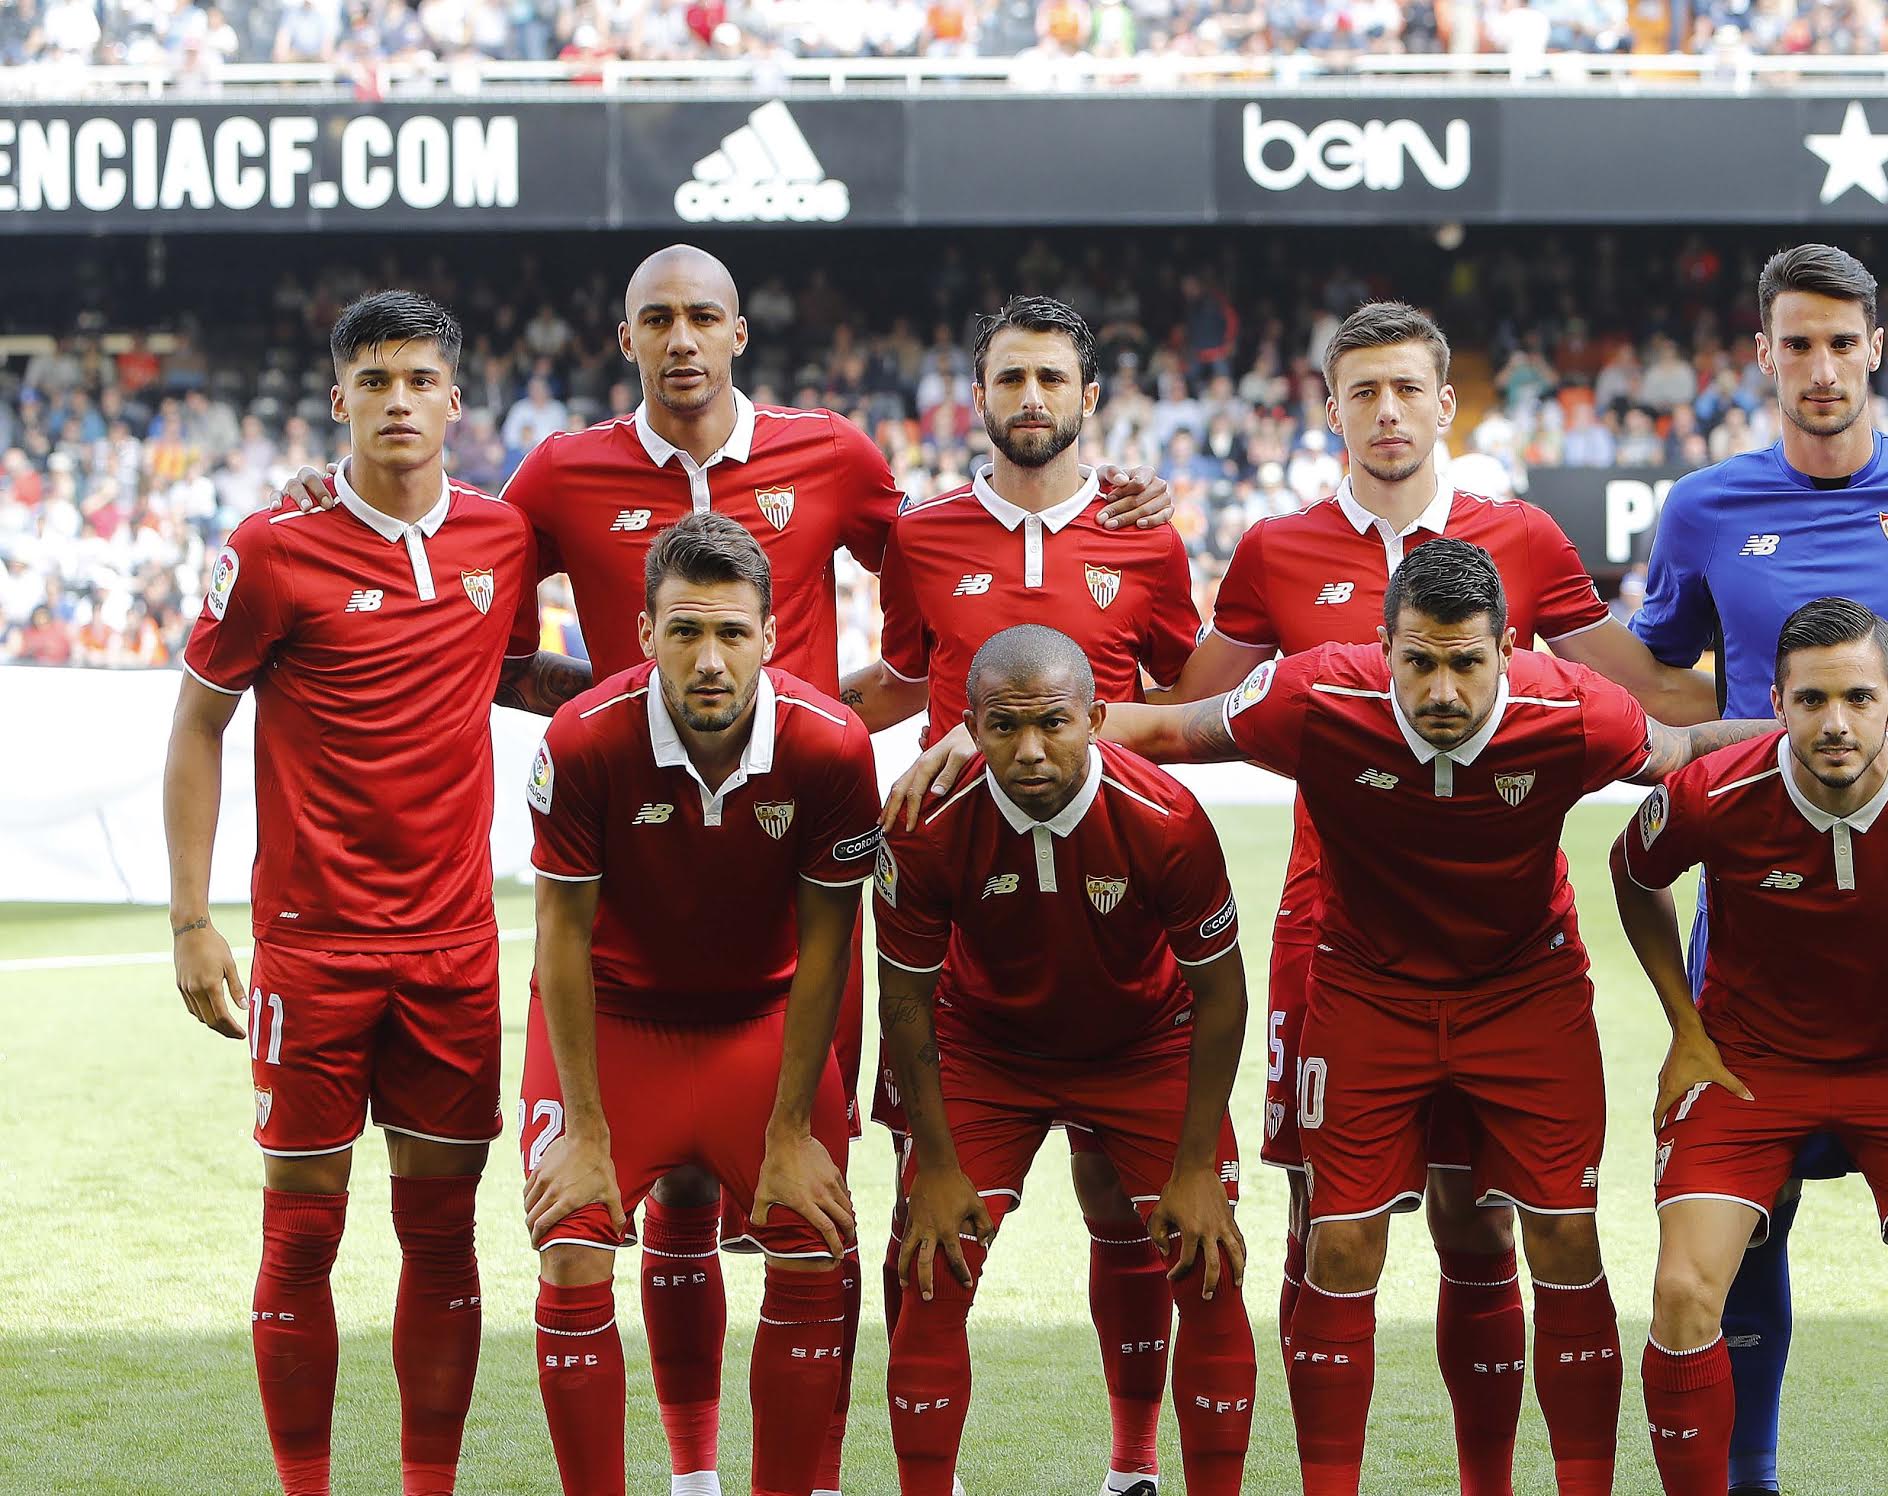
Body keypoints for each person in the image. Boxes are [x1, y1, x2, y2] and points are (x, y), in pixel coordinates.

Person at [284, 244, 1172, 1496]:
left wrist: (1092, 504)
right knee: (660, 1215)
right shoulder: (558, 474)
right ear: (627, 336)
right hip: (631, 883)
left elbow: (940, 583)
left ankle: (789, 1474)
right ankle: (693, 1471)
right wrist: (589, 697)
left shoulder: (838, 462)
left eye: (705, 315)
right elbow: (461, 567)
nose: (683, 337)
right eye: (659, 318)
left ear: (740, 333)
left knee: (810, 1219)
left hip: (784, 887)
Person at [948, 537, 1771, 1495]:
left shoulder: (1573, 710)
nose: (1443, 690)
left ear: (1509, 650)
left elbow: (1675, 754)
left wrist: (1819, 731)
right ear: (1383, 649)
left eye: (1467, 661)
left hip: (1526, 991)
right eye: (1418, 660)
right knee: (1339, 1242)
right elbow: (1176, 728)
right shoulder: (1314, 697)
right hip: (1367, 992)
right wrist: (1000, 734)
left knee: (1561, 1236)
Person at [1149, 301, 1718, 1495]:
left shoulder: (1522, 537)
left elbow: (1642, 705)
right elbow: (1184, 711)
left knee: (1482, 1222)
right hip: (1332, 928)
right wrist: (1011, 716)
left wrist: (1829, 692)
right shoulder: (1274, 549)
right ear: (1328, 405)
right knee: (1328, 1225)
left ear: (1444, 401)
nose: (1388, 412)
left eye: (1408, 388)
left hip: (1507, 927)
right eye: (1362, 392)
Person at [1629, 244, 1888, 1496]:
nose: (1817, 368)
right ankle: (1745, 1473)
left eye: (1837, 342)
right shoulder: (1702, 510)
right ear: (1762, 352)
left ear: (1876, 347)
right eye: (1792, 343)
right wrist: (1686, 750)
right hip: (1752, 925)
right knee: (1741, 1237)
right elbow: (1652, 679)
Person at [165, 290, 587, 1496]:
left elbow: (509, 672)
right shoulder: (270, 548)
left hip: (454, 947)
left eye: (418, 379)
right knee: (301, 1228)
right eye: (373, 379)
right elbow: (197, 724)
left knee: (443, 1233)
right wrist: (194, 919)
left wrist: (660, 679)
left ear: (455, 401)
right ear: (338, 399)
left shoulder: (501, 542)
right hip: (312, 946)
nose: (397, 399)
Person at [845, 295, 1204, 1496]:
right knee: (929, 1238)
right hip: (969, 916)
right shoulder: (923, 532)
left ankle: (1134, 1465)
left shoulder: (1147, 536)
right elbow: (902, 677)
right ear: (980, 393)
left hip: (1113, 924)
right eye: (1011, 378)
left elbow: (1178, 693)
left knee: (1126, 1207)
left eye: (1054, 377)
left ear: (1090, 398)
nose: (1032, 398)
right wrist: (782, 721)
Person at [1616, 598, 1888, 1496]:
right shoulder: (1716, 793)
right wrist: (1684, 1030)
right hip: (1749, 1068)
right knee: (1683, 1292)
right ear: (1777, 701)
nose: (1835, 723)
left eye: (1857, 697)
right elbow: (1632, 873)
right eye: (1811, 700)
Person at [519, 512, 877, 1496]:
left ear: (771, 635)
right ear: (643, 634)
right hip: (615, 1024)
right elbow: (560, 937)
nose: (709, 659)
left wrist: (796, 1124)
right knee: (571, 1243)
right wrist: (585, 1125)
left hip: (759, 1029)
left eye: (731, 632)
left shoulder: (834, 747)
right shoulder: (582, 740)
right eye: (685, 630)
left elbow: (824, 945)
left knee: (813, 1247)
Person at [875, 624, 1257, 1496]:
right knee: (932, 1269)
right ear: (968, 727)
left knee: (1209, 1267)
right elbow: (904, 999)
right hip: (986, 1049)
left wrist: (1197, 1166)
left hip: (1143, 1042)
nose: (1032, 750)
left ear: (1095, 719)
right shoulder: (925, 825)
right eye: (1004, 727)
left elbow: (1221, 995)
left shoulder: (1168, 819)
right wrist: (934, 1164)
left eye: (1054, 723)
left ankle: (1136, 1472)